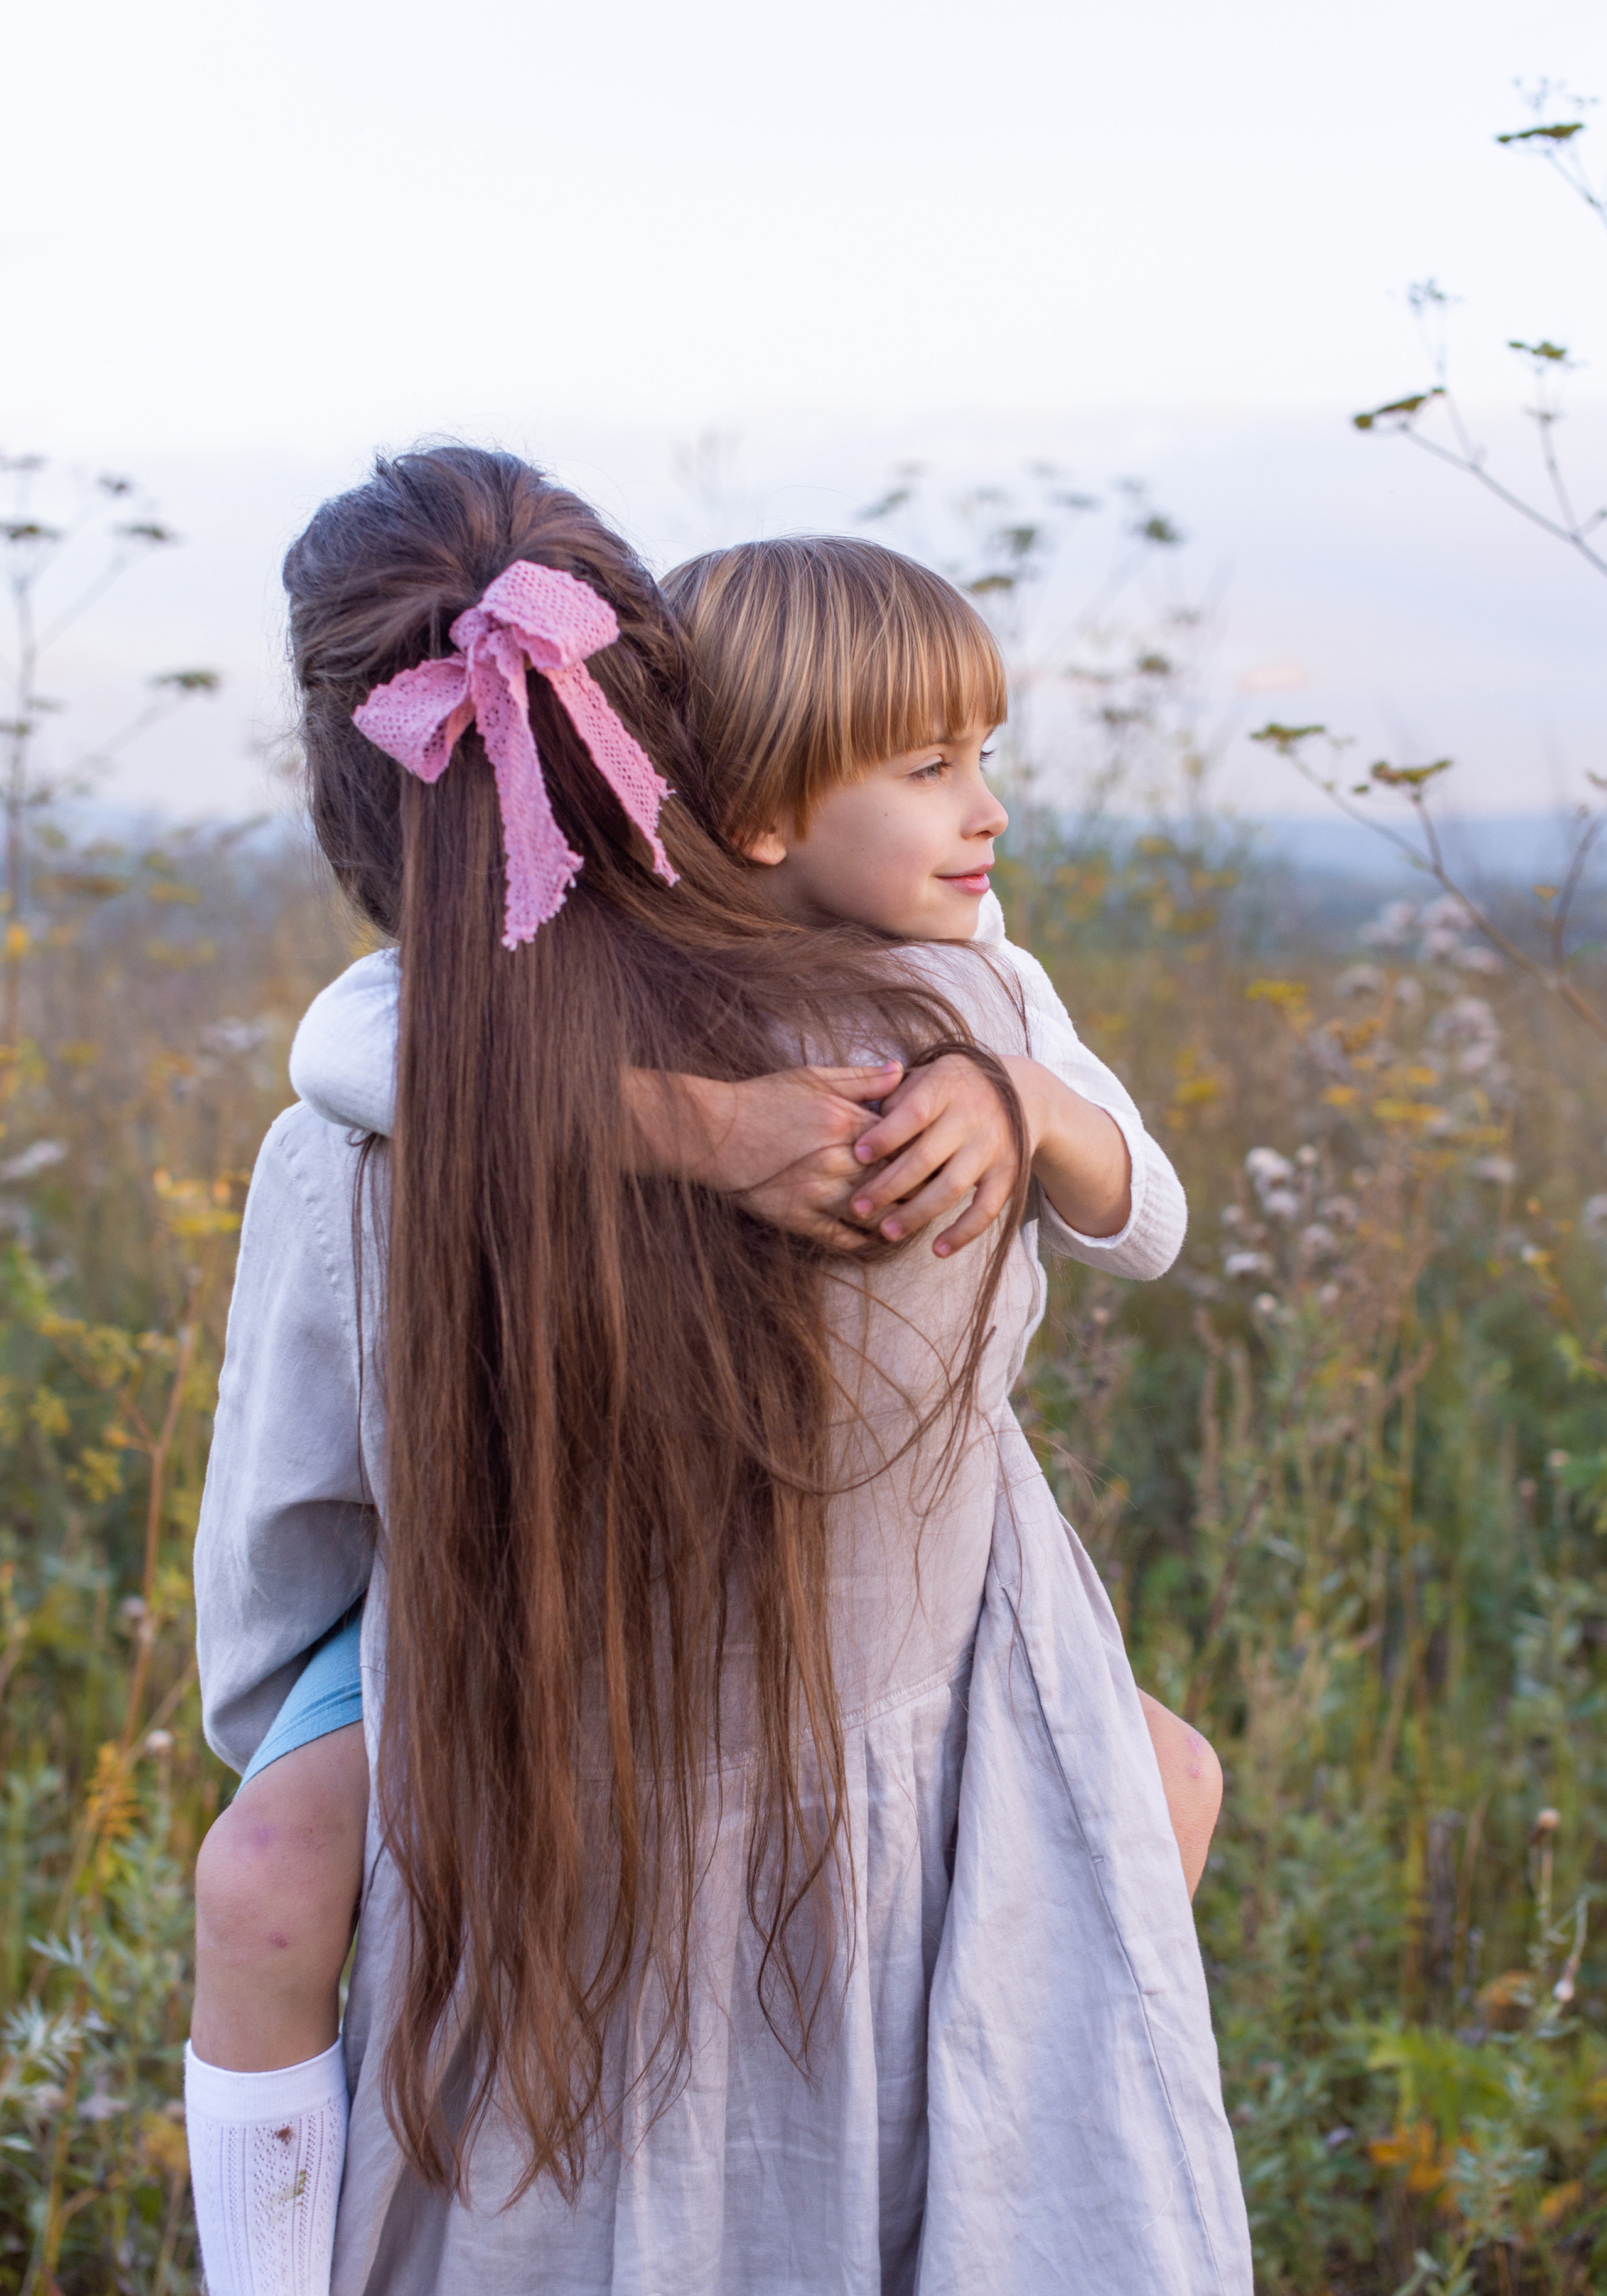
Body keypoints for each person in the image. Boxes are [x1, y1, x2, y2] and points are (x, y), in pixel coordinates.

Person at [188, 450, 1249, 2294]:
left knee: (271, 1866)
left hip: (528, 1644)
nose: (981, 811)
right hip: (860, 1685)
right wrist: (683, 1120)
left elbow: (285, 1532)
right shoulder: (924, 1036)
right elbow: (382, 1040)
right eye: (928, 764)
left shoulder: (963, 1010)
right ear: (699, 774)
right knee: (1152, 1782)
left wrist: (1026, 1098)